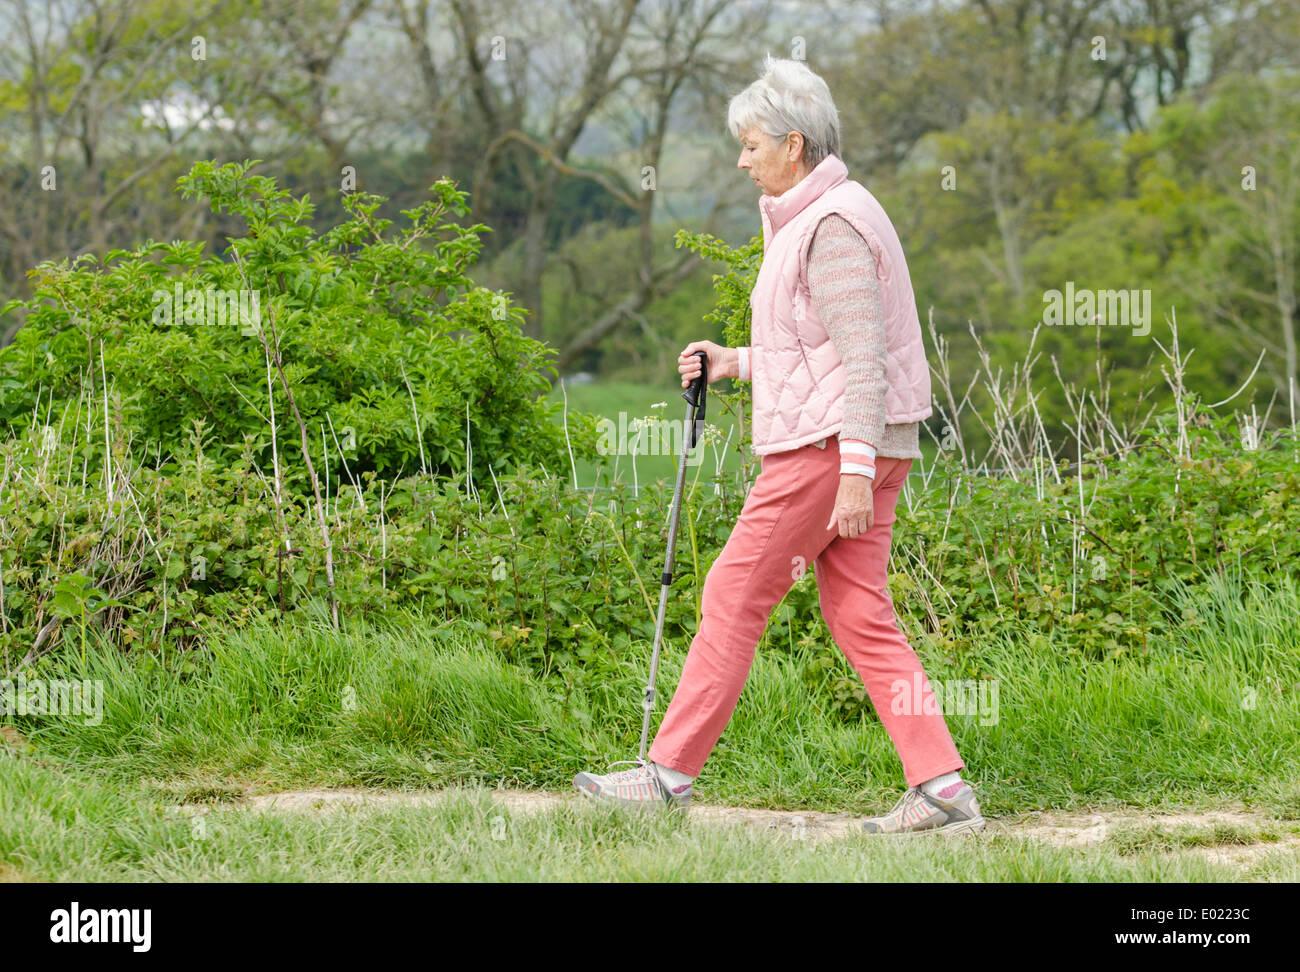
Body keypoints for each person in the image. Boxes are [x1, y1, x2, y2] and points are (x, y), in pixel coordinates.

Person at [574, 55, 983, 835]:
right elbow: (823, 348)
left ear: (793, 145)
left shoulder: (830, 226)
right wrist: (734, 364)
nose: (740, 159)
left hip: (831, 450)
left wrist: (854, 473)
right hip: (858, 442)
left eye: (751, 144)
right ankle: (943, 790)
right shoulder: (825, 213)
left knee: (732, 592)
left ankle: (664, 779)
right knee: (861, 611)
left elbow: (862, 363)